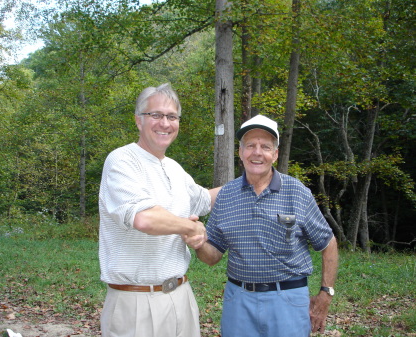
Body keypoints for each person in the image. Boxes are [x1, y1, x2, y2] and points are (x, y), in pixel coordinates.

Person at [185, 114, 338, 337]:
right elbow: (213, 256)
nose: (257, 152)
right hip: (238, 300)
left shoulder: (297, 192)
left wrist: (325, 294)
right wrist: (198, 242)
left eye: (265, 146)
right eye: (250, 145)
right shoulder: (226, 195)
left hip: (288, 299)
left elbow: (328, 243)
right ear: (240, 152)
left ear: (274, 154)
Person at [98, 83, 220, 337]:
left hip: (181, 297)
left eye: (171, 116)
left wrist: (252, 181)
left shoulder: (174, 168)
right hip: (135, 302)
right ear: (138, 120)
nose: (164, 123)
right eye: (156, 115)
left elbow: (204, 199)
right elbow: (144, 218)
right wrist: (192, 227)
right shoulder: (122, 160)